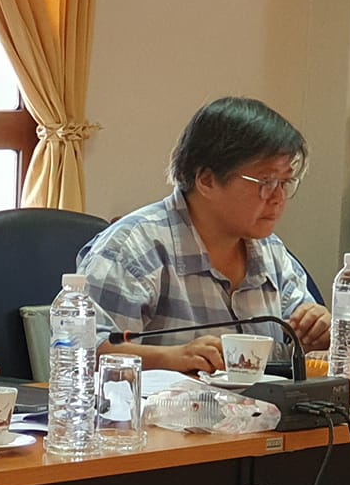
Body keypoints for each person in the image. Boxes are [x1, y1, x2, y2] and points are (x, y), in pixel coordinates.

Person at [77, 98, 329, 373]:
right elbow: (82, 352)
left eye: (285, 182)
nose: (278, 197)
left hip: (261, 402)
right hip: (161, 402)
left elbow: (304, 340)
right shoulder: (132, 248)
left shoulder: (271, 251)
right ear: (207, 180)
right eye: (266, 182)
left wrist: (319, 328)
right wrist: (170, 358)